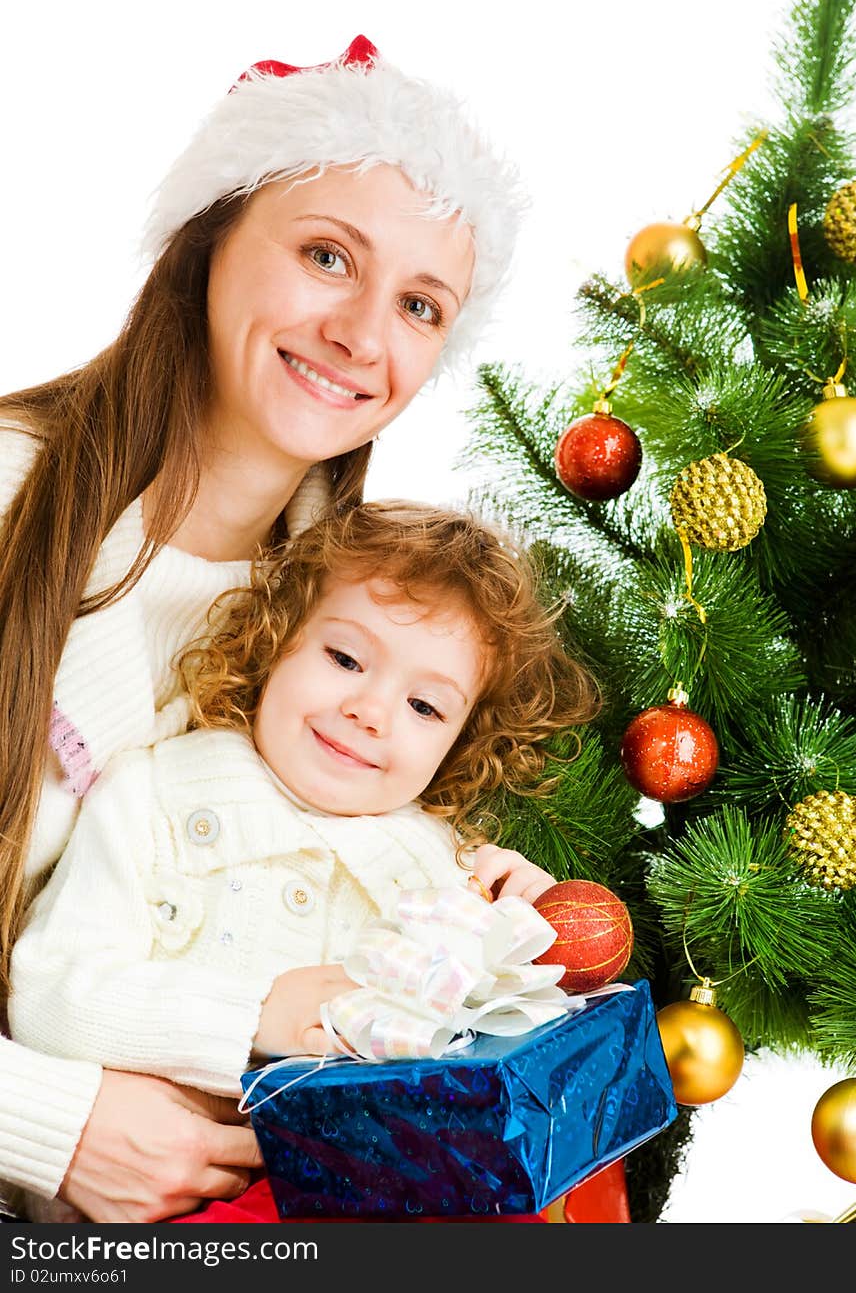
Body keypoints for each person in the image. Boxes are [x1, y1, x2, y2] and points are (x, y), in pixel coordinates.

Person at [0, 35, 525, 1222]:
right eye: (327, 255)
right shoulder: (10, 501)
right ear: (209, 241)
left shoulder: (344, 634)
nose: (359, 332)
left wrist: (483, 923)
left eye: (418, 305)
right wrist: (45, 1121)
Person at [9, 500, 601, 1224]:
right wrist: (254, 1015)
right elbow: (47, 1000)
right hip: (136, 1209)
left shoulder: (437, 869)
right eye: (345, 659)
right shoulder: (153, 795)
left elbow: (475, 1056)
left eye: (424, 707)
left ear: (461, 741)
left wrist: (522, 930)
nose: (371, 710)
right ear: (277, 639)